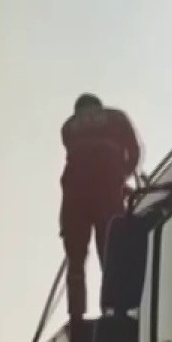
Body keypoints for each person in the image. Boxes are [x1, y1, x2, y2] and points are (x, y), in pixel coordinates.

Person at [59, 93, 141, 319]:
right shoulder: (117, 119)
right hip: (107, 198)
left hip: (75, 201)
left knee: (76, 263)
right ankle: (113, 310)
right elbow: (133, 153)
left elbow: (82, 163)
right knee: (111, 255)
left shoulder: (69, 128)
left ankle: (76, 314)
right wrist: (121, 177)